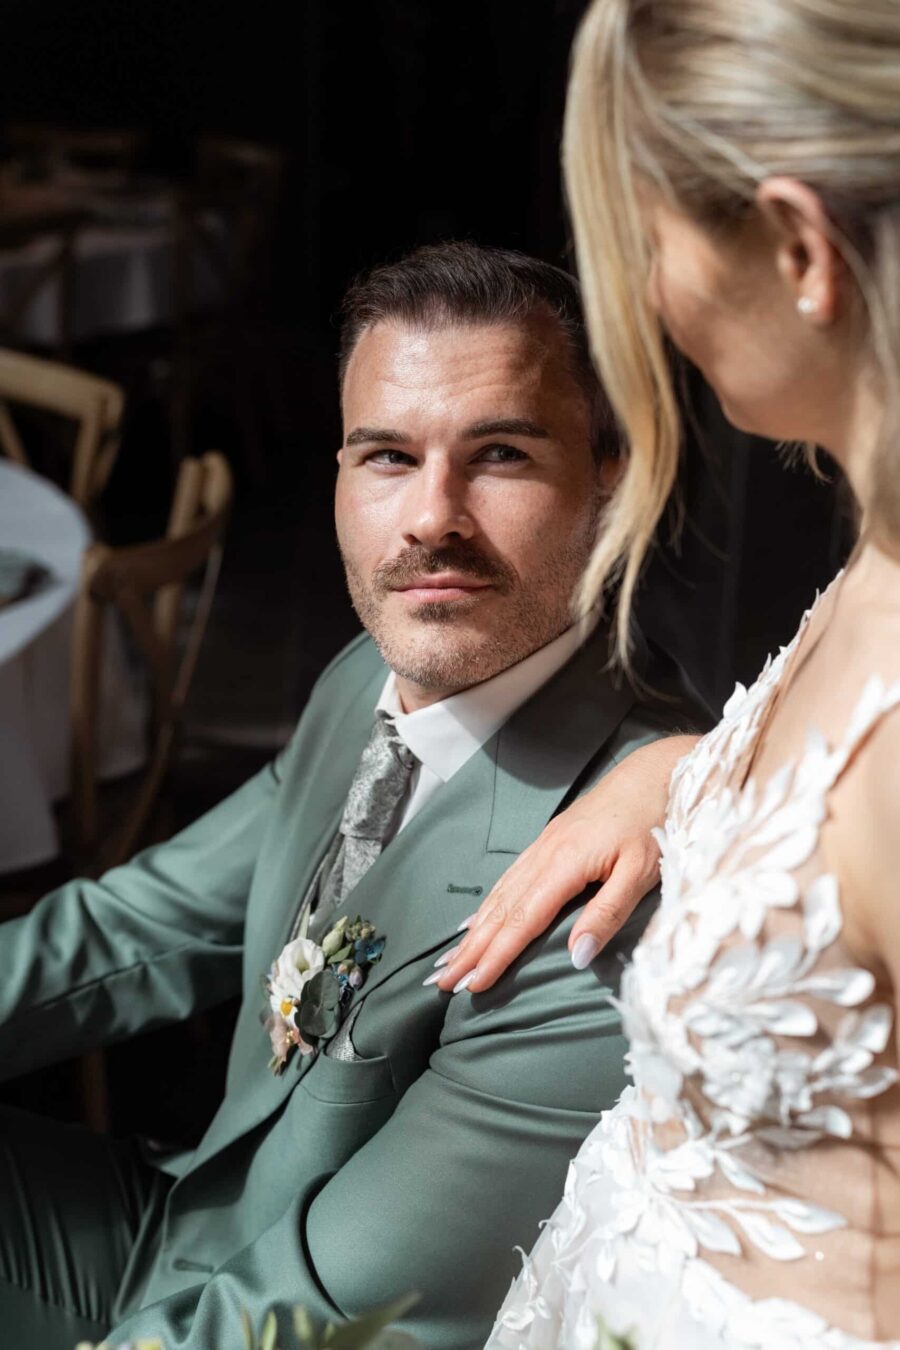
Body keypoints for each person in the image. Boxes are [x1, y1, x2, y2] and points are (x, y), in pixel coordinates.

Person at [0, 242, 702, 1349]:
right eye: (386, 456)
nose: (432, 517)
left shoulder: (608, 895)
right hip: (175, 1221)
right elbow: (130, 929)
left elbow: (329, 1313)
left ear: (612, 478)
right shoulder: (365, 679)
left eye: (502, 455)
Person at [430, 3, 900, 1346]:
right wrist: (695, 773)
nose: (644, 294)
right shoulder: (878, 536)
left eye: (651, 239)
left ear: (801, 248)